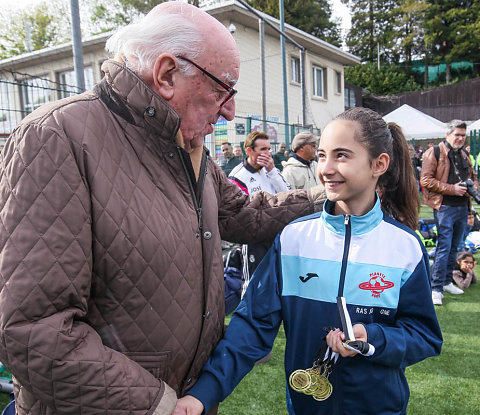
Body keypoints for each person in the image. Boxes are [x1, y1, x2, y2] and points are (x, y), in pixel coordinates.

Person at [0, 3, 325, 415]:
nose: (229, 110)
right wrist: (154, 402)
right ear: (167, 74)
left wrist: (322, 195)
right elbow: (31, 331)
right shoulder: (55, 136)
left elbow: (242, 214)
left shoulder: (187, 147)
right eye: (223, 88)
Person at [176, 107, 442, 415]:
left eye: (342, 155)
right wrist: (204, 393)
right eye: (323, 155)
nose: (326, 168)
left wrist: (374, 339)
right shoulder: (293, 239)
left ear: (378, 164)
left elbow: (424, 336)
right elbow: (252, 325)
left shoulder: (405, 246)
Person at [420, 119, 478, 305]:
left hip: (462, 206)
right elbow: (426, 180)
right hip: (444, 207)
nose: (460, 138)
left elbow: (472, 176)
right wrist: (452, 189)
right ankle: (436, 288)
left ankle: (445, 282)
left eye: (463, 135)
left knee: (456, 246)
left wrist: (473, 186)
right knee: (444, 247)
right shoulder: (434, 152)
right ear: (448, 135)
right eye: (457, 135)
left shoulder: (463, 154)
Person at [229, 131, 292, 296]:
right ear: (249, 151)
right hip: (253, 238)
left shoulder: (270, 170)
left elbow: (288, 194)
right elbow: (239, 211)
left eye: (269, 149)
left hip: (276, 233)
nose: (268, 153)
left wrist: (272, 171)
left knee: (275, 280)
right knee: (253, 282)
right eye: (263, 149)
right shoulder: (237, 176)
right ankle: (247, 314)